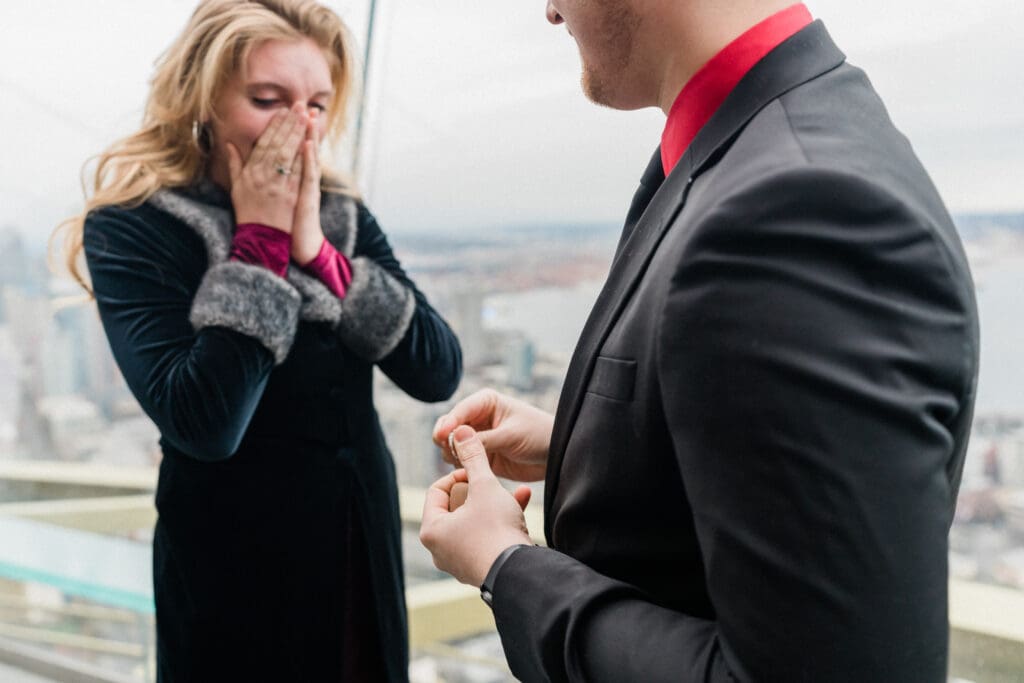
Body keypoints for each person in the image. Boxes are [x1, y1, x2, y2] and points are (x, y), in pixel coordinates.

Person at [421, 1, 978, 681]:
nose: (549, 10)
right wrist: (584, 442)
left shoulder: (797, 206)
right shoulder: (764, 139)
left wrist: (505, 563)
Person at [56, 1, 461, 680]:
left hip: (354, 544)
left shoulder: (341, 213)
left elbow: (436, 370)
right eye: (268, 99)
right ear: (205, 99)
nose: (298, 129)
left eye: (316, 105)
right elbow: (205, 421)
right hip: (228, 561)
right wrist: (261, 246)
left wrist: (320, 255)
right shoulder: (135, 227)